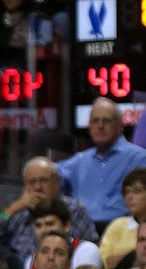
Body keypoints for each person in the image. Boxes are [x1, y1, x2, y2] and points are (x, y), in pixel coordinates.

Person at [57, 98, 146, 230]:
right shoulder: (79, 161)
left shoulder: (139, 158)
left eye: (107, 121)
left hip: (123, 232)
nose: (100, 126)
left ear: (120, 126)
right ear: (89, 126)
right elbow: (48, 173)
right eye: (95, 121)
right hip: (81, 232)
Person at [19, 198, 101, 269]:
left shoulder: (87, 250)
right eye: (38, 225)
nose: (43, 230)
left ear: (66, 226)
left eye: (49, 224)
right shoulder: (31, 260)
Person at [98, 168, 146, 269]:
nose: (129, 197)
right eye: (126, 192)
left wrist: (119, 258)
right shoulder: (117, 225)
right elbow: (104, 262)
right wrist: (133, 256)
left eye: (137, 191)